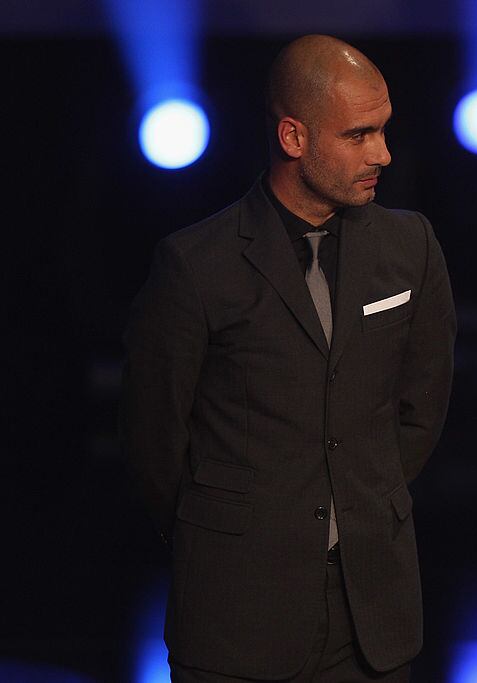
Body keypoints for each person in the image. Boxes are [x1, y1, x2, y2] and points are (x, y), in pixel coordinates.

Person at [120, 35, 456, 681]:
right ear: (293, 136)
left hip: (374, 614)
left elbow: (422, 406)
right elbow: (152, 438)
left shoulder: (409, 245)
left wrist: (359, 498)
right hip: (236, 615)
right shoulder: (195, 266)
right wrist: (226, 530)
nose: (382, 154)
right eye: (359, 135)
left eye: (384, 131)